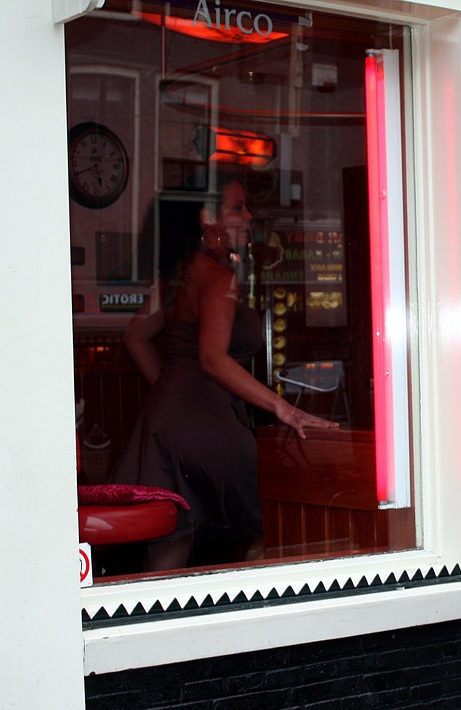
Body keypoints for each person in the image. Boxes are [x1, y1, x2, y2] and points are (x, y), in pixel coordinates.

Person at [114, 179, 337, 571]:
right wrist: (285, 410)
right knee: (277, 519)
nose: (248, 216)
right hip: (208, 424)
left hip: (166, 426)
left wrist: (172, 394)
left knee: (172, 541)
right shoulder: (220, 279)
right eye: (238, 207)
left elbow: (135, 338)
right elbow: (212, 359)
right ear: (208, 218)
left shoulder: (179, 275)